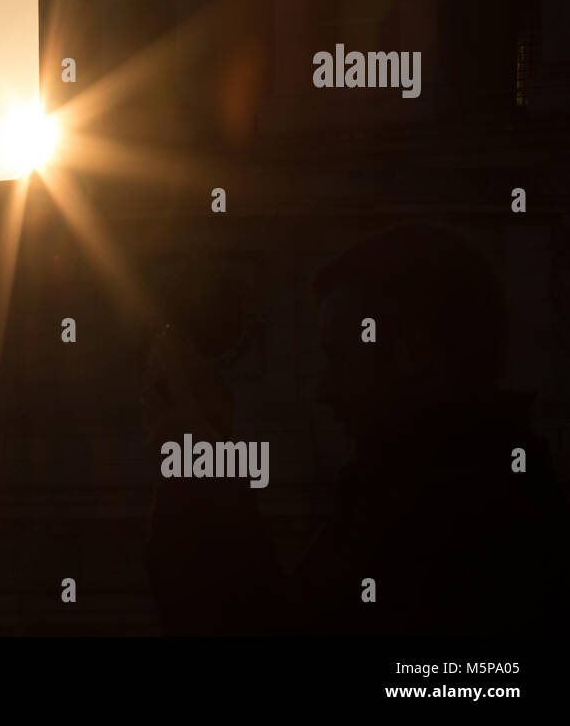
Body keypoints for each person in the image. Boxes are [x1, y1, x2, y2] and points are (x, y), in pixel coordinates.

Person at [143, 223, 570, 635]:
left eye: (339, 358)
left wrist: (199, 469)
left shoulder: (446, 523)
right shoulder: (468, 493)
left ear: (414, 353)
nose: (322, 391)